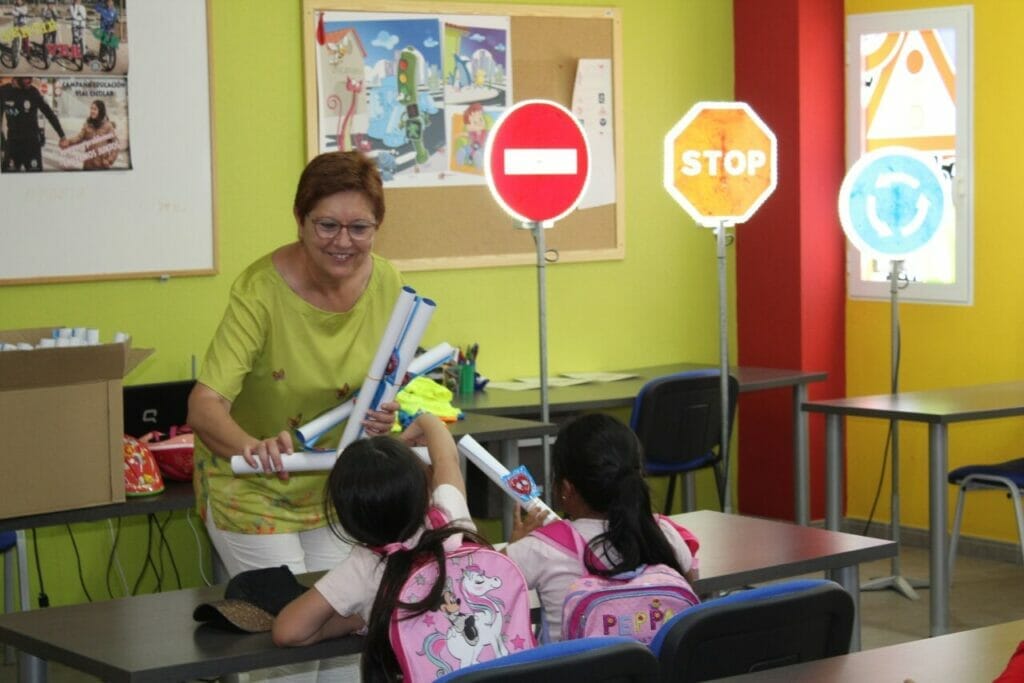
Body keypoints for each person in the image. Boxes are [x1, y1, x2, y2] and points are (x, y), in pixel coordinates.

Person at [187, 150, 404, 681]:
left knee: (344, 641)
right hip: (253, 489)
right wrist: (249, 447)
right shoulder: (260, 289)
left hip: (332, 486)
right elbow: (203, 405)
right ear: (300, 220)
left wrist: (382, 415)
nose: (343, 241)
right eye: (327, 224)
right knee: (283, 653)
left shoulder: (389, 284)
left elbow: (383, 386)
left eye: (360, 227)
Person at [273, 413, 480, 683]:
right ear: (422, 488)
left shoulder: (364, 565)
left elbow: (288, 631)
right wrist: (425, 421)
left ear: (346, 518)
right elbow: (446, 458)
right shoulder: (449, 517)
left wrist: (362, 618)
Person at [506, 413, 699, 641]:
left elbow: (477, 584)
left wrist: (514, 548)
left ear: (566, 488)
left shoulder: (539, 548)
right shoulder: (664, 532)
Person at [0, 77, 67, 172]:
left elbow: (49, 113)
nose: (29, 81)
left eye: (30, 78)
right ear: (16, 77)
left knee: (36, 179)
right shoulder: (3, 91)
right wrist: (2, 144)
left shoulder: (33, 92)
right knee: (7, 179)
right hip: (12, 145)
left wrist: (62, 135)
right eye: (26, 78)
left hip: (32, 146)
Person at [59, 99, 119, 170]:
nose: (92, 111)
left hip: (102, 165)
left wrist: (109, 160)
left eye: (95, 109)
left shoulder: (108, 126)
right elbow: (79, 137)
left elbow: (116, 144)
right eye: (91, 108)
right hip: (88, 165)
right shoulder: (87, 124)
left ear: (101, 111)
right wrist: (68, 142)